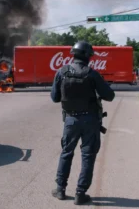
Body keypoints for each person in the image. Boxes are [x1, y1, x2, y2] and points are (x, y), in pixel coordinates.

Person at [50, 41, 115, 205]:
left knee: (66, 152)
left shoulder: (62, 72)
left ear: (73, 54)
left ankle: (60, 189)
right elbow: (109, 95)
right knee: (88, 156)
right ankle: (80, 193)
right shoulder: (92, 74)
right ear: (88, 56)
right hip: (90, 120)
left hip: (70, 120)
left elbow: (55, 97)